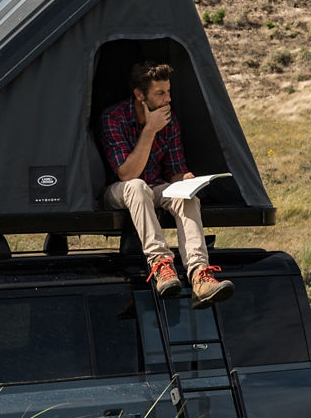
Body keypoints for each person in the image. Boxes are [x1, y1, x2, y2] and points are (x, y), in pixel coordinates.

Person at [98, 61, 233, 308]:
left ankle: (200, 275)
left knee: (187, 196)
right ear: (140, 95)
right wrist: (150, 129)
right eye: (160, 93)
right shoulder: (113, 117)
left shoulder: (170, 122)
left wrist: (184, 179)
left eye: (168, 91)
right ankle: (161, 266)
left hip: (154, 187)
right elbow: (126, 174)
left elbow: (173, 170)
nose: (167, 99)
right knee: (137, 186)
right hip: (119, 190)